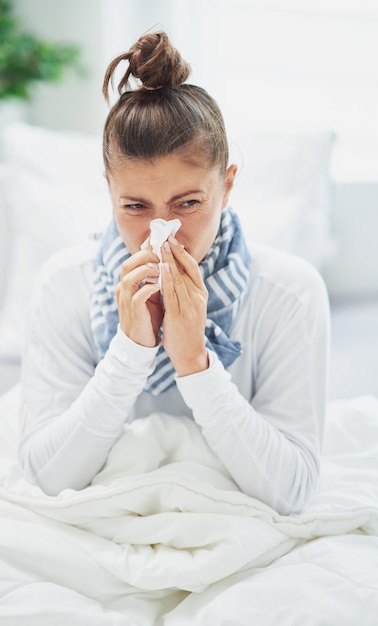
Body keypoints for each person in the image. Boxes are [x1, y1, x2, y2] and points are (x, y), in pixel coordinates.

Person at [18, 31, 330, 515]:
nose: (161, 232)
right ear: (108, 191)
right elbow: (46, 478)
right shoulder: (64, 284)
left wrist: (195, 362)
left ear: (226, 186)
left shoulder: (290, 293)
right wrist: (129, 352)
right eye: (135, 205)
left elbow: (291, 492)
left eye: (188, 203)